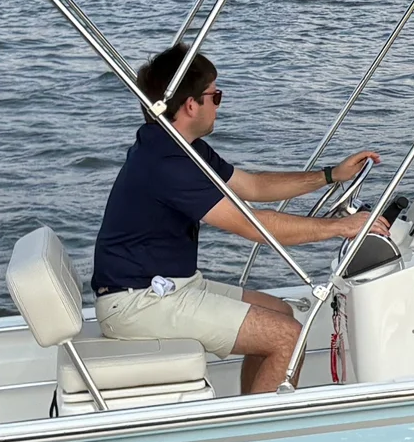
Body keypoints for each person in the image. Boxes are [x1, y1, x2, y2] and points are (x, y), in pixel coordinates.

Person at [92, 43, 382, 395]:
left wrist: (329, 175)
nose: (219, 104)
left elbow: (253, 186)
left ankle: (249, 410)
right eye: (216, 96)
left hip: (166, 285)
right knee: (288, 338)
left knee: (283, 313)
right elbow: (254, 226)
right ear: (190, 104)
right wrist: (339, 227)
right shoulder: (167, 164)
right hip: (137, 302)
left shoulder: (179, 145)